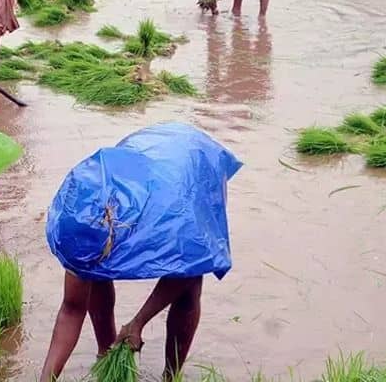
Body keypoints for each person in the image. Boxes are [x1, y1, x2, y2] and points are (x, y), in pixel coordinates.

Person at [38, 123, 241, 382]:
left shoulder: (173, 215)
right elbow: (71, 308)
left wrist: (138, 322)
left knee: (189, 289)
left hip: (191, 167)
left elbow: (189, 270)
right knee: (94, 270)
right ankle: (105, 351)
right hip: (141, 160)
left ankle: (171, 375)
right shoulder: (77, 218)